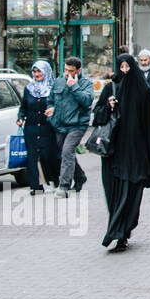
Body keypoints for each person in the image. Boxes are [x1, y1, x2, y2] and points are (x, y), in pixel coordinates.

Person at [101, 53, 150, 252]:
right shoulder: (110, 88)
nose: (124, 71)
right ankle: (116, 230)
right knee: (114, 195)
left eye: (127, 67)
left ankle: (123, 234)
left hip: (135, 154)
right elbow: (98, 115)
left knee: (130, 195)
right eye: (120, 67)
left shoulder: (142, 91)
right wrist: (108, 106)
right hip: (113, 153)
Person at [47, 56, 92, 197]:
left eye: (71, 71)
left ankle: (64, 186)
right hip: (60, 124)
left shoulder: (86, 83)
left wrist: (74, 86)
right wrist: (51, 109)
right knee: (66, 154)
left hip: (77, 125)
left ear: (78, 70)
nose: (67, 73)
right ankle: (80, 177)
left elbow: (87, 101)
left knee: (67, 151)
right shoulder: (58, 81)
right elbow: (50, 100)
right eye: (65, 70)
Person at [16, 60, 59, 194]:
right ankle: (36, 186)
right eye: (34, 71)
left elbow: (60, 106)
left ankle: (55, 181)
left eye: (39, 71)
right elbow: (23, 107)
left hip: (48, 128)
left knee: (48, 155)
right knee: (33, 158)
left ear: (46, 72)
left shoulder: (53, 89)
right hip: (31, 128)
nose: (36, 74)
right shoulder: (29, 89)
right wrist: (20, 117)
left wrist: (53, 110)